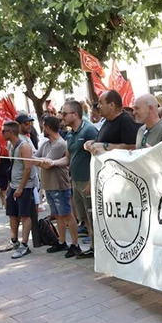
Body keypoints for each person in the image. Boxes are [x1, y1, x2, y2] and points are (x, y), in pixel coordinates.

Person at [36, 115, 82, 258]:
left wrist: (37, 161)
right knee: (57, 215)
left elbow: (44, 163)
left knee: (66, 214)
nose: (43, 129)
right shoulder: (46, 144)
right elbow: (35, 158)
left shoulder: (59, 144)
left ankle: (75, 245)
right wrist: (36, 160)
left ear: (48, 128)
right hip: (49, 185)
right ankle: (61, 242)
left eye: (44, 127)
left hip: (59, 184)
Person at [62, 100, 99, 259]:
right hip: (76, 181)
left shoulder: (89, 130)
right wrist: (48, 162)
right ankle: (92, 247)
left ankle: (98, 248)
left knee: (93, 216)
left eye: (64, 113)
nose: (61, 117)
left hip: (87, 180)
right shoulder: (70, 134)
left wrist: (92, 180)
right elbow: (67, 159)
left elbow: (98, 156)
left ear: (75, 114)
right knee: (84, 218)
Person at [0, 121, 39, 259]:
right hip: (14, 185)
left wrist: (21, 187)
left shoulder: (24, 146)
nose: (2, 133)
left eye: (3, 131)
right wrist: (12, 185)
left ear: (10, 132)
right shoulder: (11, 145)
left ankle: (24, 244)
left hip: (25, 186)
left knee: (25, 215)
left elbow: (28, 168)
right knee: (12, 213)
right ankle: (14, 240)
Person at [84, 89, 141, 155]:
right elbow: (104, 141)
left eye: (101, 103)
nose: (98, 106)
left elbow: (133, 147)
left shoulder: (125, 121)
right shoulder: (107, 120)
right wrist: (92, 143)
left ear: (111, 105)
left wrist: (105, 146)